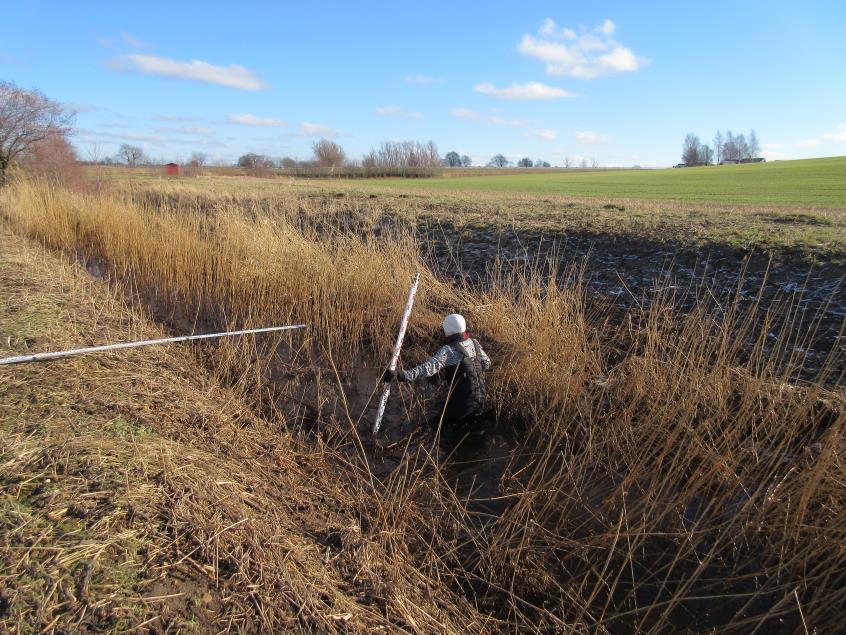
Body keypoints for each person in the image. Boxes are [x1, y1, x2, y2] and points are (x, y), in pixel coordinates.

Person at [383, 313, 492, 432]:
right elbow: (487, 364)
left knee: (436, 428)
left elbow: (427, 368)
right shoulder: (475, 343)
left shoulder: (448, 350)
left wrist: (400, 375)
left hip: (462, 406)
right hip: (480, 402)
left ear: (447, 331)